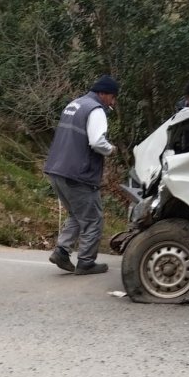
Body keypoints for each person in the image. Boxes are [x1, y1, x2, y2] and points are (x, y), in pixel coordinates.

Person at [43, 75, 119, 275]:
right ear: (103, 94)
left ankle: (61, 251)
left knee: (77, 213)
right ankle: (86, 262)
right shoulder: (96, 110)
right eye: (113, 97)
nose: (113, 102)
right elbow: (96, 142)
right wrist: (112, 150)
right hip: (78, 174)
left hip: (56, 170)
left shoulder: (75, 104)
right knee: (93, 218)